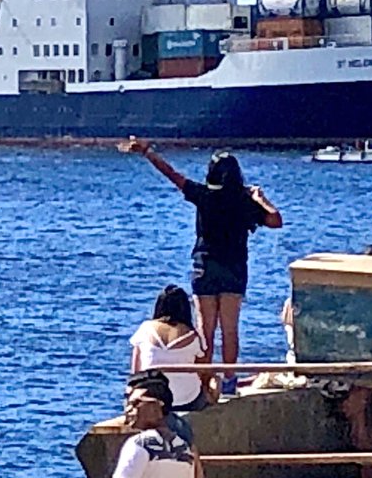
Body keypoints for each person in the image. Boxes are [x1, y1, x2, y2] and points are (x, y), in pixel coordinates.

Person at [121, 138, 282, 396]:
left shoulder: (204, 195)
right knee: (230, 329)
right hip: (234, 268)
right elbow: (276, 221)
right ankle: (229, 379)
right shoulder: (244, 201)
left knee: (205, 329)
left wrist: (148, 153)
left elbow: (173, 175)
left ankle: (203, 381)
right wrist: (261, 198)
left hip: (205, 265)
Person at [91, 375, 196, 478]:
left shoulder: (140, 444)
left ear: (157, 406)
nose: (129, 409)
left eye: (136, 403)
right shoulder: (183, 449)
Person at [130, 285, 211, 411]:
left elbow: (135, 370)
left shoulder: (145, 329)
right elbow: (203, 370)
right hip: (187, 399)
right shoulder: (194, 335)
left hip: (152, 398)